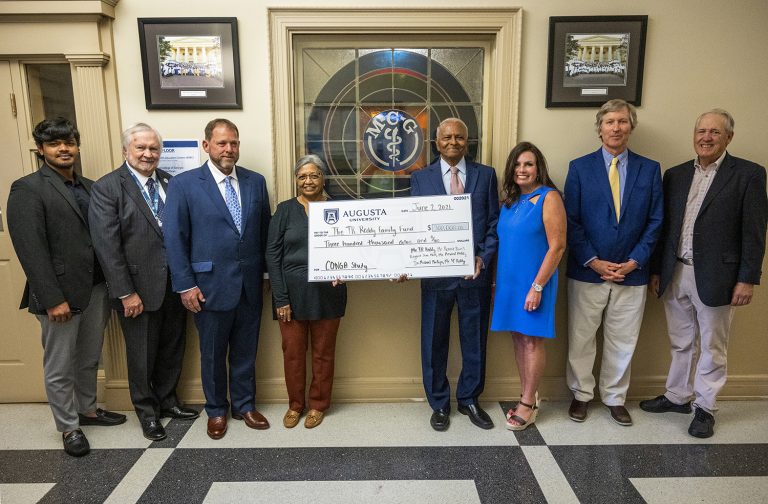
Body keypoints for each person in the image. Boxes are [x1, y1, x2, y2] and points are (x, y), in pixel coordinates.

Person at [640, 109, 767, 438]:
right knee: (680, 341)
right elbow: (666, 227)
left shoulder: (748, 175)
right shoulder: (677, 174)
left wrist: (747, 278)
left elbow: (754, 232)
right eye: (701, 131)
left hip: (718, 276)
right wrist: (657, 271)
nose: (706, 137)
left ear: (728, 137)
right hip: (676, 270)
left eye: (714, 132)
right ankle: (677, 395)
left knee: (712, 345)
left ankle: (705, 407)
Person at [7, 117, 126, 457]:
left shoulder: (90, 186)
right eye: (55, 144)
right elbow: (30, 248)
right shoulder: (27, 188)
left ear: (77, 145)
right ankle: (68, 427)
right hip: (59, 294)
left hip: (96, 288)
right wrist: (51, 298)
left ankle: (87, 410)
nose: (63, 149)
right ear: (41, 149)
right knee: (59, 365)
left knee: (89, 356)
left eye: (69, 142)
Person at [89, 123, 199, 442]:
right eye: (141, 148)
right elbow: (107, 247)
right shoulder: (108, 187)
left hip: (175, 286)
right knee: (141, 355)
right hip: (136, 291)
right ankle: (147, 414)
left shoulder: (170, 182)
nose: (148, 154)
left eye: (153, 148)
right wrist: (125, 292)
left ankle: (168, 401)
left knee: (172, 348)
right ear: (126, 151)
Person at [163, 118, 272, 439]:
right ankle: (215, 410)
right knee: (212, 353)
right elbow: (174, 238)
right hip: (207, 287)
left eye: (234, 143)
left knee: (245, 351)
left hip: (250, 285)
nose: (229, 149)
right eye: (222, 143)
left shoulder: (255, 182)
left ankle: (245, 405)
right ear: (206, 145)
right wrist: (185, 284)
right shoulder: (184, 185)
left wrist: (265, 274)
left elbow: (263, 231)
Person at [564, 99, 663, 426]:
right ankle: (581, 395)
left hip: (631, 273)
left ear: (631, 127)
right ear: (600, 128)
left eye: (622, 121)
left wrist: (635, 261)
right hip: (587, 271)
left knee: (623, 340)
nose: (616, 128)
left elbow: (655, 221)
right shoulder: (579, 168)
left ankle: (614, 397)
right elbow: (571, 221)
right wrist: (593, 261)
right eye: (609, 122)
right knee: (581, 337)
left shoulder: (650, 170)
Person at [409, 117, 499, 431]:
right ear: (436, 142)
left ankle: (470, 399)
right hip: (435, 276)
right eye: (447, 137)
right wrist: (403, 262)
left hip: (474, 275)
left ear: (467, 141)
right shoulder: (421, 178)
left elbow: (492, 225)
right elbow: (412, 227)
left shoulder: (485, 176)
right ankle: (439, 403)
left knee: (474, 338)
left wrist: (482, 258)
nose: (453, 142)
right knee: (433, 341)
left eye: (459, 137)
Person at [266, 154, 347, 429]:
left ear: (323, 178)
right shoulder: (284, 210)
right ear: (296, 181)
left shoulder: (340, 209)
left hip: (329, 294)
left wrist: (346, 269)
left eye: (314, 175)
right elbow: (272, 256)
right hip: (290, 295)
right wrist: (280, 298)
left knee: (324, 353)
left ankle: (318, 404)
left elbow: (352, 249)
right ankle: (295, 405)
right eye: (302, 176)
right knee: (293, 353)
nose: (308, 181)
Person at [490, 142, 566, 431]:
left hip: (535, 282)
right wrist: (497, 283)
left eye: (529, 164)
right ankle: (528, 396)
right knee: (518, 339)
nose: (522, 170)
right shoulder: (510, 201)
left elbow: (557, 247)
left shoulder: (549, 197)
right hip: (509, 282)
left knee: (532, 340)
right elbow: (505, 245)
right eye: (518, 165)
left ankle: (528, 405)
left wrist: (537, 286)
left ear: (539, 168)